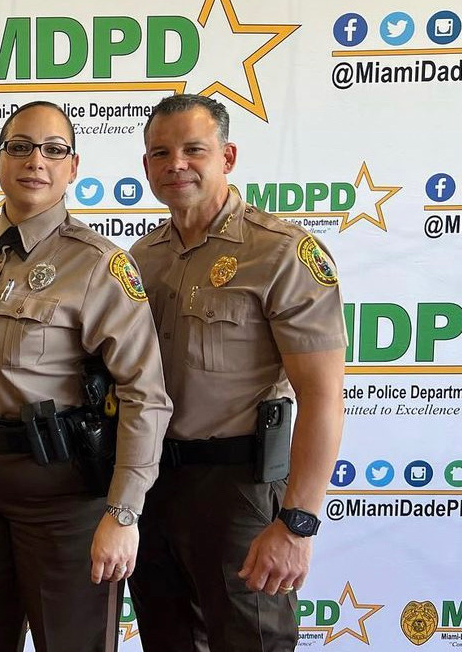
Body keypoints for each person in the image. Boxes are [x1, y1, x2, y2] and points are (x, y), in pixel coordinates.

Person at [0, 101, 172, 652]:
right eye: (19, 147)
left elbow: (145, 396)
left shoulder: (98, 265)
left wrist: (123, 512)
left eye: (53, 149)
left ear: (73, 166)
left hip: (64, 500)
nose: (35, 160)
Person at [128, 94, 346, 651]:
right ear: (147, 166)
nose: (176, 163)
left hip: (239, 490)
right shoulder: (140, 258)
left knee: (252, 642)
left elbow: (323, 400)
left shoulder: (282, 253)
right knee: (167, 639)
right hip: (152, 484)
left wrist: (298, 523)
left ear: (227, 156)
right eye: (160, 152)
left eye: (193, 149)